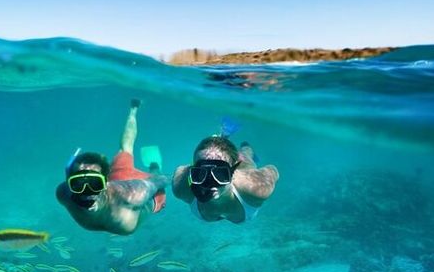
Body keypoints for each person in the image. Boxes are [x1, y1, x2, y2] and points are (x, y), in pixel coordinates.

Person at [56, 99, 167, 235]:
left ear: (105, 181)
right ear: (69, 183)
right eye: (78, 184)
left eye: (95, 183)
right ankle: (133, 110)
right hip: (119, 181)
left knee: (152, 175)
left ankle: (154, 165)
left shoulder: (133, 195)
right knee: (124, 150)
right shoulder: (63, 194)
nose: (87, 192)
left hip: (145, 194)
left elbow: (162, 180)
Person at [172, 135, 278, 223]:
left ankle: (244, 148)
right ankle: (220, 143)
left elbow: (272, 170)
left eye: (220, 174)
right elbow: (182, 170)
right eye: (200, 173)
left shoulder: (256, 188)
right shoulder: (181, 187)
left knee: (245, 156)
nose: (210, 184)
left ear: (233, 173)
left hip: (242, 167)